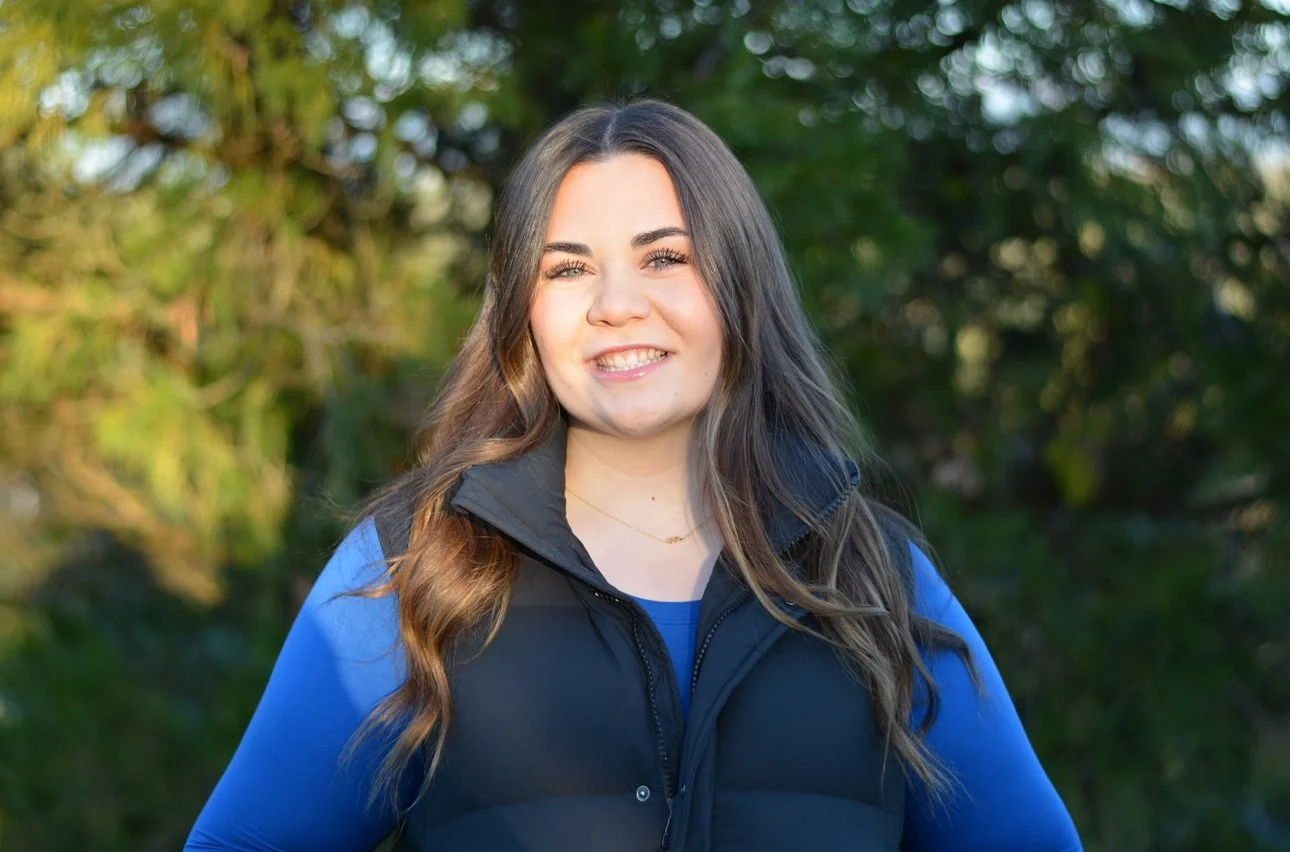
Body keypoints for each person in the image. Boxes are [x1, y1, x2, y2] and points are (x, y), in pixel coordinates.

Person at [186, 100, 1082, 851]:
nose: (617, 305)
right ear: (521, 314)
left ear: (739, 289)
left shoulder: (874, 578)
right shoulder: (414, 573)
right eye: (569, 268)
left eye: (666, 257)